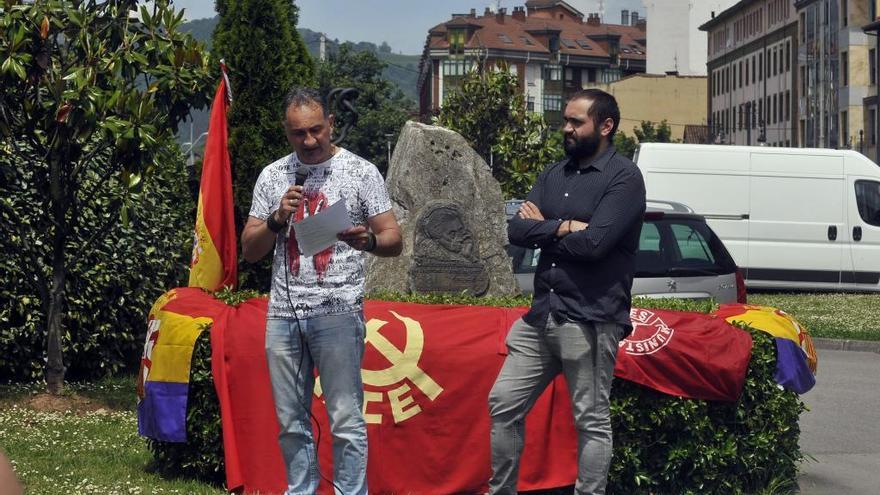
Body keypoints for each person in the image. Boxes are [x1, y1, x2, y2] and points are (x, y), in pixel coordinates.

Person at [241, 87, 402, 495]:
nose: (310, 141)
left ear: (331, 124)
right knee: (290, 422)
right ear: (287, 132)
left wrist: (366, 241)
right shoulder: (273, 175)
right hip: (284, 316)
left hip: (339, 312)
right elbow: (250, 250)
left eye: (316, 130)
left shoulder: (361, 172)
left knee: (345, 420)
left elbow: (394, 239)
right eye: (299, 134)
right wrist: (277, 218)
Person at [488, 88, 646, 495]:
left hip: (590, 316)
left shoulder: (624, 178)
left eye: (577, 122)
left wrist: (548, 228)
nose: (567, 129)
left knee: (591, 420)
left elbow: (596, 246)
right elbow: (516, 230)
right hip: (542, 314)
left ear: (606, 126)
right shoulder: (554, 174)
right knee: (503, 404)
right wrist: (563, 226)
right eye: (566, 121)